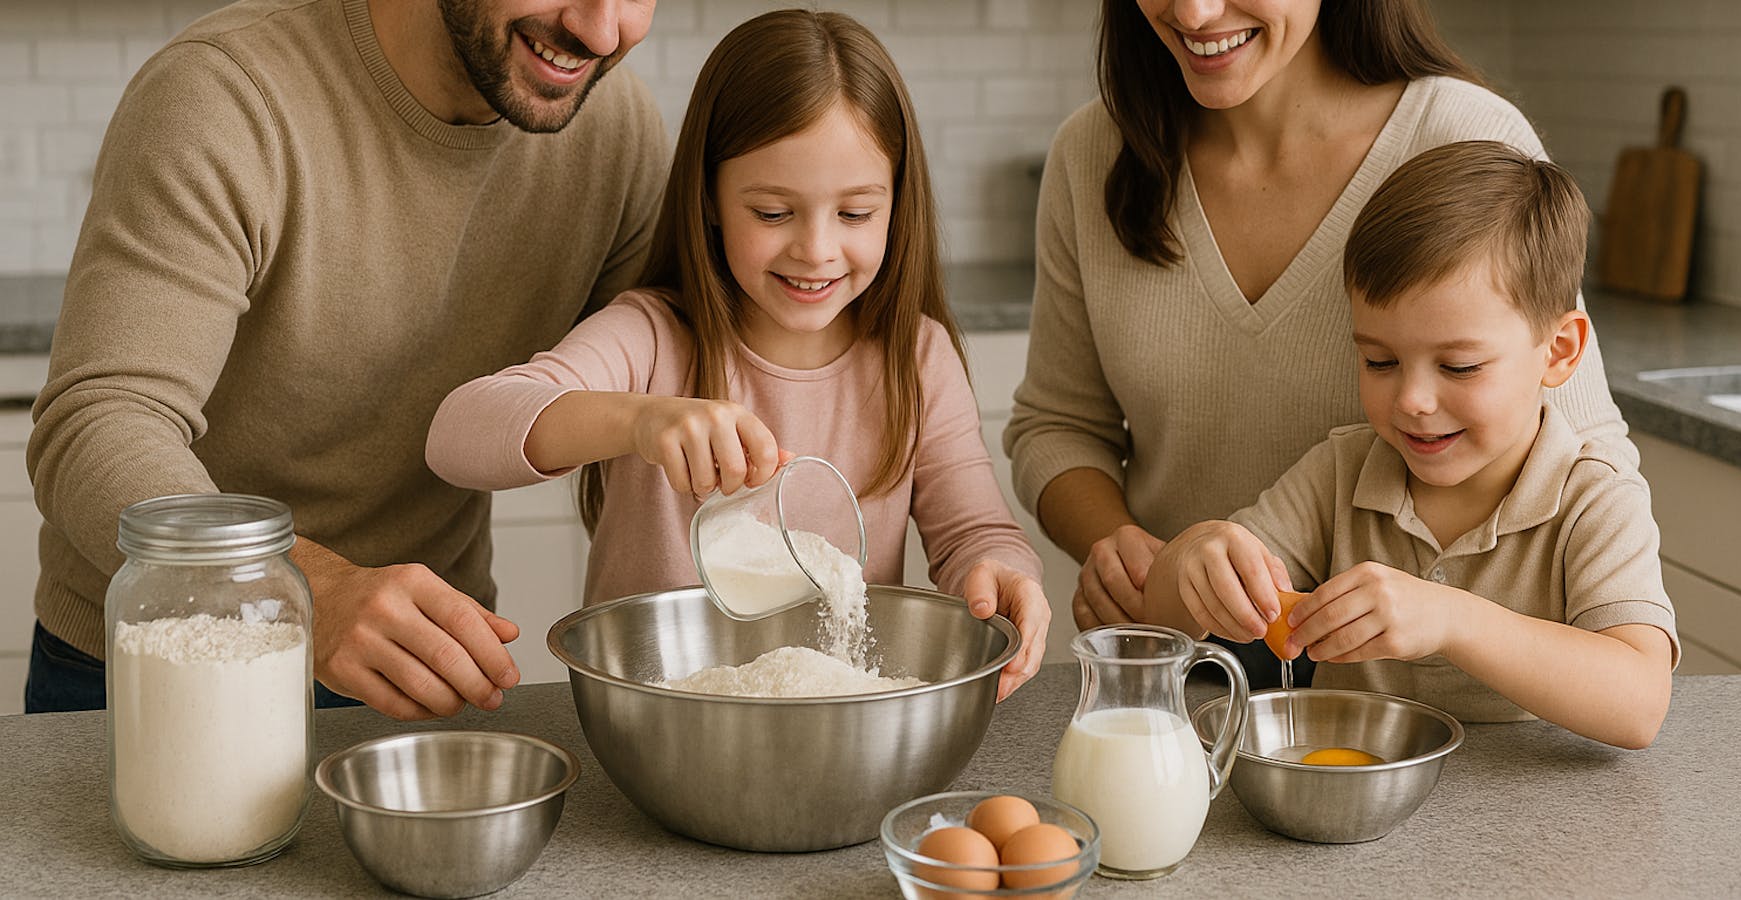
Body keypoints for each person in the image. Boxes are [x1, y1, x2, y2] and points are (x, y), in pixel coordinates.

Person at [26, 0, 669, 719]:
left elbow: (662, 379)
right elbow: (99, 423)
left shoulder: (615, 131)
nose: (602, 30)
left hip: (418, 670)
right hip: (167, 658)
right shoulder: (226, 92)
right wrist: (296, 590)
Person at [1002, 0, 1637, 688]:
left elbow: (1583, 449)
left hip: (1419, 698)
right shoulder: (1092, 155)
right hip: (1185, 667)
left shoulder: (1462, 137)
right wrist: (1125, 548)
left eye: (1453, 365)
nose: (1194, 10)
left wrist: (1460, 621)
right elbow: (1058, 427)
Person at [425, 9, 1051, 700]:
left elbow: (975, 535)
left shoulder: (917, 358)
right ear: (713, 199)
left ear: (897, 205)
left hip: (845, 726)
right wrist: (639, 421)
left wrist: (1000, 572)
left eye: (855, 214)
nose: (816, 250)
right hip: (656, 723)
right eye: (774, 213)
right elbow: (458, 434)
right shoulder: (652, 337)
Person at [1139, 142, 1676, 748]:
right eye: (1380, 360)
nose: (1412, 400)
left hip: (1537, 827)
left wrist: (1451, 618)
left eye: (1460, 366)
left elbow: (1640, 704)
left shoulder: (1595, 499)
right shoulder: (1340, 473)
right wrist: (1193, 558)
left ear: (1559, 351)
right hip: (1351, 816)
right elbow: (1160, 619)